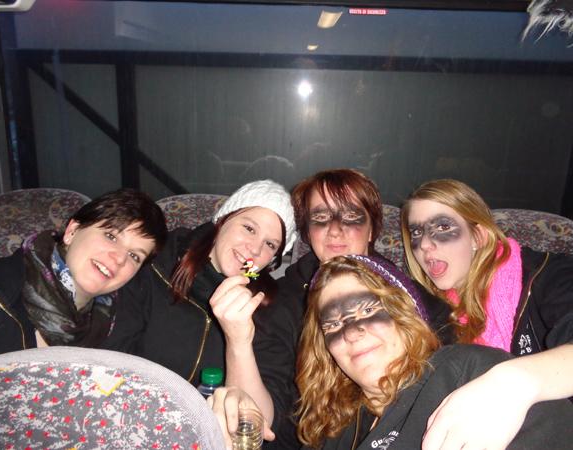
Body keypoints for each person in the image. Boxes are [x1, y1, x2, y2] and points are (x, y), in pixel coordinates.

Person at [217, 169, 452, 449]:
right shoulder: (281, 304)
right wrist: (237, 342)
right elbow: (264, 420)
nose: (335, 229)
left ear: (372, 230)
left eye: (351, 217)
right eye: (321, 218)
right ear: (308, 233)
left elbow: (454, 371)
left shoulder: (415, 300)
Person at [296, 254, 573, 450]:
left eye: (368, 309)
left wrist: (516, 383)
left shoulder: (467, 374)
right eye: (333, 324)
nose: (351, 332)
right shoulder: (333, 430)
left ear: (405, 314)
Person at [101, 180, 297, 429]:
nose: (255, 249)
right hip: (129, 420)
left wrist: (238, 341)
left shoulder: (268, 308)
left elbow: (260, 424)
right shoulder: (155, 262)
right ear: (223, 220)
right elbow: (110, 360)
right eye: (249, 228)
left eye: (270, 245)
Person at [401, 178, 573, 450]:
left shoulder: (549, 275)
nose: (424, 245)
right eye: (417, 232)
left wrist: (513, 382)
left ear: (478, 236)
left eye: (443, 227)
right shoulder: (429, 311)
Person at [0, 188, 167, 357]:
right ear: (72, 231)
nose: (119, 258)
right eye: (111, 236)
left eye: (134, 256)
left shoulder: (122, 327)